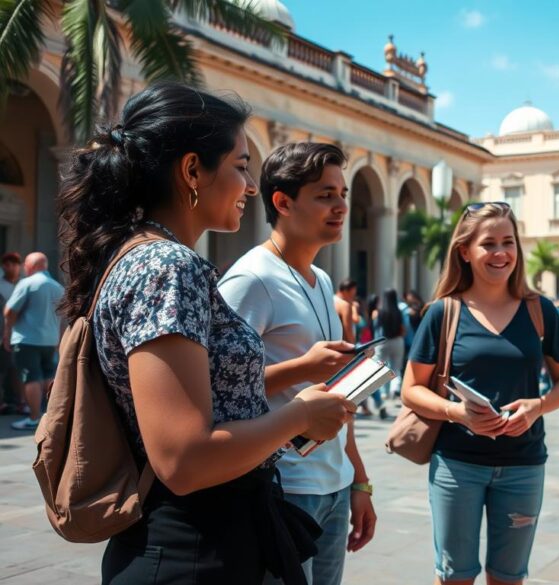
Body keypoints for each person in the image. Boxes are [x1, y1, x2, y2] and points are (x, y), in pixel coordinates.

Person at [58, 82, 354, 583]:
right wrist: (300, 415)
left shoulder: (143, 255)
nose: (251, 186)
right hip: (194, 546)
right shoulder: (168, 266)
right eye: (241, 166)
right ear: (193, 170)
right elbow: (184, 459)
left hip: (198, 536)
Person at [218, 142, 376, 585]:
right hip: (283, 486)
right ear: (283, 203)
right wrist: (304, 368)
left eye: (342, 193)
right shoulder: (251, 279)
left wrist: (358, 479)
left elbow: (336, 394)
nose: (340, 206)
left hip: (333, 485)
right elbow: (216, 388)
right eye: (325, 195)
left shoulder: (321, 279)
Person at [402, 201, 559, 585]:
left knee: (509, 577)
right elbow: (410, 390)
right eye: (488, 243)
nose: (501, 253)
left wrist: (538, 406)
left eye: (508, 242)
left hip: (523, 466)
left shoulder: (540, 310)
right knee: (456, 577)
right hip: (457, 465)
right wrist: (457, 412)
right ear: (465, 251)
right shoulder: (443, 312)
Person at [4, 252, 64, 430]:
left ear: (31, 266)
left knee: (31, 378)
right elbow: (63, 318)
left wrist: (7, 332)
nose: (24, 268)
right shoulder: (58, 287)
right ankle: (51, 418)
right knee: (48, 377)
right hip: (50, 340)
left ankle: (34, 418)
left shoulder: (27, 283)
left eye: (26, 265)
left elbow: (9, 311)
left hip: (27, 340)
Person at [372, 288, 406, 417]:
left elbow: (375, 328)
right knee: (396, 368)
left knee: (380, 366)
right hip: (397, 341)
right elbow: (403, 329)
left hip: (382, 341)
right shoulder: (399, 311)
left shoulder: (379, 312)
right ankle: (395, 389)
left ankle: (383, 392)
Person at [0, 252, 23, 415]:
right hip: (3, 334)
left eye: (14, 264)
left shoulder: (24, 284)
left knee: (17, 370)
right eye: (8, 265)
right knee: (2, 370)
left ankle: (18, 401)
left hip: (21, 335)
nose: (12, 268)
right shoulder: (1, 285)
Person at [334, 278, 361, 344]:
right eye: (352, 295)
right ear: (345, 291)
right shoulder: (344, 305)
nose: (353, 298)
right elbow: (349, 333)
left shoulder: (330, 300)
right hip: (342, 345)